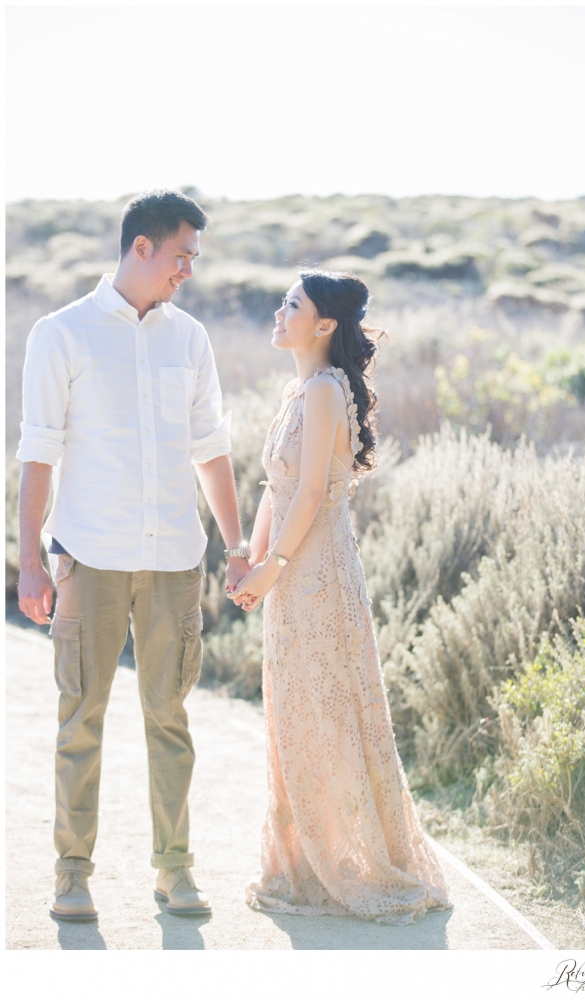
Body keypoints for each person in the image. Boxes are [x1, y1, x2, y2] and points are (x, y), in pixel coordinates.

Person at [17, 189, 251, 922]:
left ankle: (174, 870)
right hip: (88, 556)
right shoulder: (61, 334)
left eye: (194, 257)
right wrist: (29, 557)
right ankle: (71, 874)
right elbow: (38, 454)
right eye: (182, 254)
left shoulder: (190, 338)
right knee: (80, 717)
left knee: (169, 718)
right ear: (140, 248)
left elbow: (211, 450)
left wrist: (237, 545)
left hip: (174, 561)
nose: (189, 269)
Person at [232, 270, 450, 923]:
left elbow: (313, 495)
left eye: (291, 305)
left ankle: (352, 861)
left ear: (323, 324)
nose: (278, 311)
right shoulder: (298, 391)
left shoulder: (325, 390)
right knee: (294, 711)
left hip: (317, 571)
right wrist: (246, 557)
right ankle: (301, 860)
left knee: (326, 709)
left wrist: (271, 568)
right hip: (290, 568)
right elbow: (275, 488)